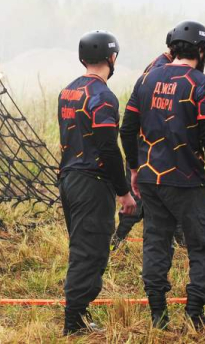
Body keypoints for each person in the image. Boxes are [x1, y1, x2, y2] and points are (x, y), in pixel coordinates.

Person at [120, 20, 205, 331]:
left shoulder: (146, 80)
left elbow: (127, 128)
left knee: (156, 242)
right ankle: (195, 314)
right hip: (186, 179)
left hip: (151, 179)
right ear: (202, 50)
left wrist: (135, 168)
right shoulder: (200, 83)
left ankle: (158, 315)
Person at [57, 30, 136, 335]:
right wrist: (124, 192)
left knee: (82, 248)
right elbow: (107, 148)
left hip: (69, 180)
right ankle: (74, 324)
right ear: (111, 58)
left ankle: (78, 314)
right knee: (89, 253)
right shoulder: (103, 96)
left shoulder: (68, 91)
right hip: (92, 183)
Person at [112, 31, 185, 250]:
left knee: (169, 197)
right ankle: (116, 241)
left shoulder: (162, 65)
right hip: (148, 145)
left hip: (149, 143)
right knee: (141, 198)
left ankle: (178, 241)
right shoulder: (161, 70)